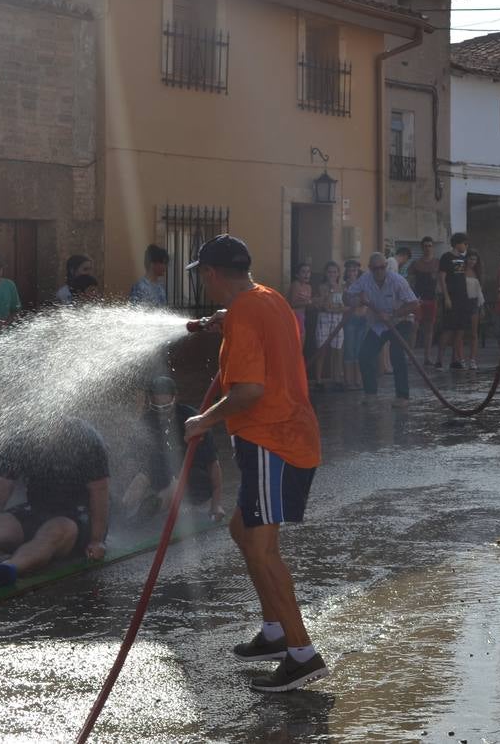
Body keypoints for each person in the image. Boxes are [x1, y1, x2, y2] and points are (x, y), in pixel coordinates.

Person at [182, 234, 327, 691]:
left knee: (263, 549)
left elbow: (249, 391)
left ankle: (302, 654)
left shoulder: (246, 311)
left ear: (210, 274)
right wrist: (225, 322)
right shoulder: (268, 298)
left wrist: (203, 419)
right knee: (242, 531)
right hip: (285, 435)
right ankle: (274, 631)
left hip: (273, 440)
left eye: (201, 276)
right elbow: (262, 334)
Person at [0, 417, 108, 587]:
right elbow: (2, 484)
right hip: (37, 509)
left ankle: (9, 568)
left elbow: (99, 491)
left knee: (55, 530)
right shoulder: (23, 437)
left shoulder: (87, 440)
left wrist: (97, 540)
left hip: (76, 517)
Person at [122, 377, 223, 522]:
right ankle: (123, 513)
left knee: (174, 486)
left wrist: (217, 505)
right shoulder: (146, 421)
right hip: (165, 477)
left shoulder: (193, 420)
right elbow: (131, 458)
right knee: (141, 478)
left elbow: (213, 464)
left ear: (175, 398)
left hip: (195, 480)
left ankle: (146, 514)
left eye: (166, 407)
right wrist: (129, 486)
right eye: (157, 408)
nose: (162, 412)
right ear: (150, 401)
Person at [346, 252, 419, 406]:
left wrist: (394, 314)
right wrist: (356, 299)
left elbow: (414, 304)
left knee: (396, 354)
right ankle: (371, 394)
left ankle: (402, 396)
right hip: (379, 324)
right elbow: (347, 296)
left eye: (382, 267)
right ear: (370, 268)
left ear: (386, 266)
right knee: (365, 354)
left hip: (401, 321)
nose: (379, 271)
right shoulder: (365, 279)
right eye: (375, 268)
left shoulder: (397, 281)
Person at [438, 232, 471, 370]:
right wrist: (446, 297)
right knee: (448, 329)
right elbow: (442, 278)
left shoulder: (463, 259)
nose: (466, 246)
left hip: (462, 298)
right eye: (465, 243)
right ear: (458, 243)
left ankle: (455, 359)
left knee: (460, 329)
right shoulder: (446, 257)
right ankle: (439, 359)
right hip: (451, 297)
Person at [311, 261, 345, 390]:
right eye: (330, 272)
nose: (332, 274)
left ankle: (337, 378)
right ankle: (318, 379)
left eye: (335, 272)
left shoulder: (342, 287)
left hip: (338, 321)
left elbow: (343, 307)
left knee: (337, 350)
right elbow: (325, 305)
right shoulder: (322, 287)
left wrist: (334, 308)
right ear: (326, 273)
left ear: (338, 273)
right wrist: (330, 291)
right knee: (322, 350)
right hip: (324, 320)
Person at [407, 237, 440, 367]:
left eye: (430, 246)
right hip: (418, 300)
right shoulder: (416, 264)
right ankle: (411, 357)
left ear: (433, 247)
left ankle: (427, 357)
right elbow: (408, 279)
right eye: (425, 246)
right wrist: (410, 297)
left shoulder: (437, 263)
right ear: (422, 247)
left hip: (432, 299)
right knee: (414, 328)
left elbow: (442, 279)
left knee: (429, 329)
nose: (427, 248)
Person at [340, 260, 365, 391]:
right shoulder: (344, 287)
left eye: (355, 270)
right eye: (350, 270)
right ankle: (348, 381)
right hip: (350, 320)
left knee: (359, 350)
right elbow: (348, 301)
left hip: (361, 319)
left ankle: (358, 380)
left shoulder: (362, 285)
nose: (352, 273)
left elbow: (364, 300)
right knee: (349, 349)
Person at [462, 251, 485, 369]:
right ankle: (461, 358)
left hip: (474, 303)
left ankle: (472, 359)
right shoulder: (461, 270)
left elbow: (480, 292)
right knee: (461, 333)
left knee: (474, 333)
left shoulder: (478, 273)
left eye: (475, 260)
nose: (472, 262)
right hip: (462, 303)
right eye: (470, 259)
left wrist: (482, 308)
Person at [288, 262, 313, 342]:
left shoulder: (309, 287)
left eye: (308, 272)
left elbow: (308, 305)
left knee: (301, 343)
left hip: (302, 316)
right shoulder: (296, 284)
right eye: (303, 272)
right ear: (297, 275)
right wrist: (309, 302)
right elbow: (292, 303)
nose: (306, 274)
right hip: (294, 316)